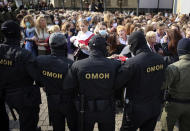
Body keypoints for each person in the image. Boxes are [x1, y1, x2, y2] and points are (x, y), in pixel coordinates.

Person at [64, 35, 121, 131]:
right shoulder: (115, 64)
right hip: (107, 109)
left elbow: (68, 86)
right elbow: (120, 84)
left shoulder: (77, 65)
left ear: (89, 47)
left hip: (85, 109)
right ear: (104, 47)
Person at [116, 31, 166, 131]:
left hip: (136, 108)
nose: (129, 47)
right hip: (154, 106)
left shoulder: (132, 63)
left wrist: (118, 66)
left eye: (130, 45)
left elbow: (118, 83)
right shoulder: (160, 59)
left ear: (134, 44)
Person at [0, 20, 41, 131]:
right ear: (18, 34)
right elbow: (37, 77)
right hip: (23, 96)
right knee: (28, 124)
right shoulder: (24, 54)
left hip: (4, 92)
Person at [36, 33, 77, 131]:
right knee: (74, 126)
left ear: (50, 46)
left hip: (52, 100)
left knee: (57, 126)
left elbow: (38, 80)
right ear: (64, 45)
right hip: (69, 102)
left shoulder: (40, 60)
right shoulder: (72, 65)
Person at [161, 38, 190, 131]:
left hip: (173, 104)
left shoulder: (173, 67)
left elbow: (163, 85)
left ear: (179, 50)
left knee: (166, 128)